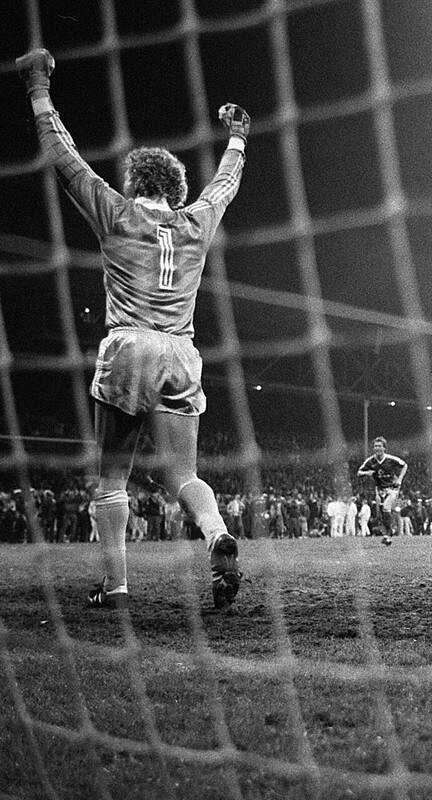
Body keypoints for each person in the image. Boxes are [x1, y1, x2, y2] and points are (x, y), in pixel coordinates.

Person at [16, 48, 248, 609]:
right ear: (175, 188)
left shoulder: (117, 213)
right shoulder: (194, 223)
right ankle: (216, 534)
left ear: (135, 180)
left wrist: (39, 89)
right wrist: (238, 140)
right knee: (184, 476)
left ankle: (116, 586)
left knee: (111, 478)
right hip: (181, 353)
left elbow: (65, 159)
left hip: (128, 346)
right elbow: (223, 188)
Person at [356, 436, 407, 536]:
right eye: (376, 446)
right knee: (382, 512)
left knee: (386, 507)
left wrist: (399, 479)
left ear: (384, 448)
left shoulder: (390, 459)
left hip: (392, 488)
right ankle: (389, 530)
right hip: (380, 490)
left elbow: (404, 465)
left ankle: (388, 534)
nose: (377, 448)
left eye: (380, 446)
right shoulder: (370, 461)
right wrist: (367, 473)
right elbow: (359, 472)